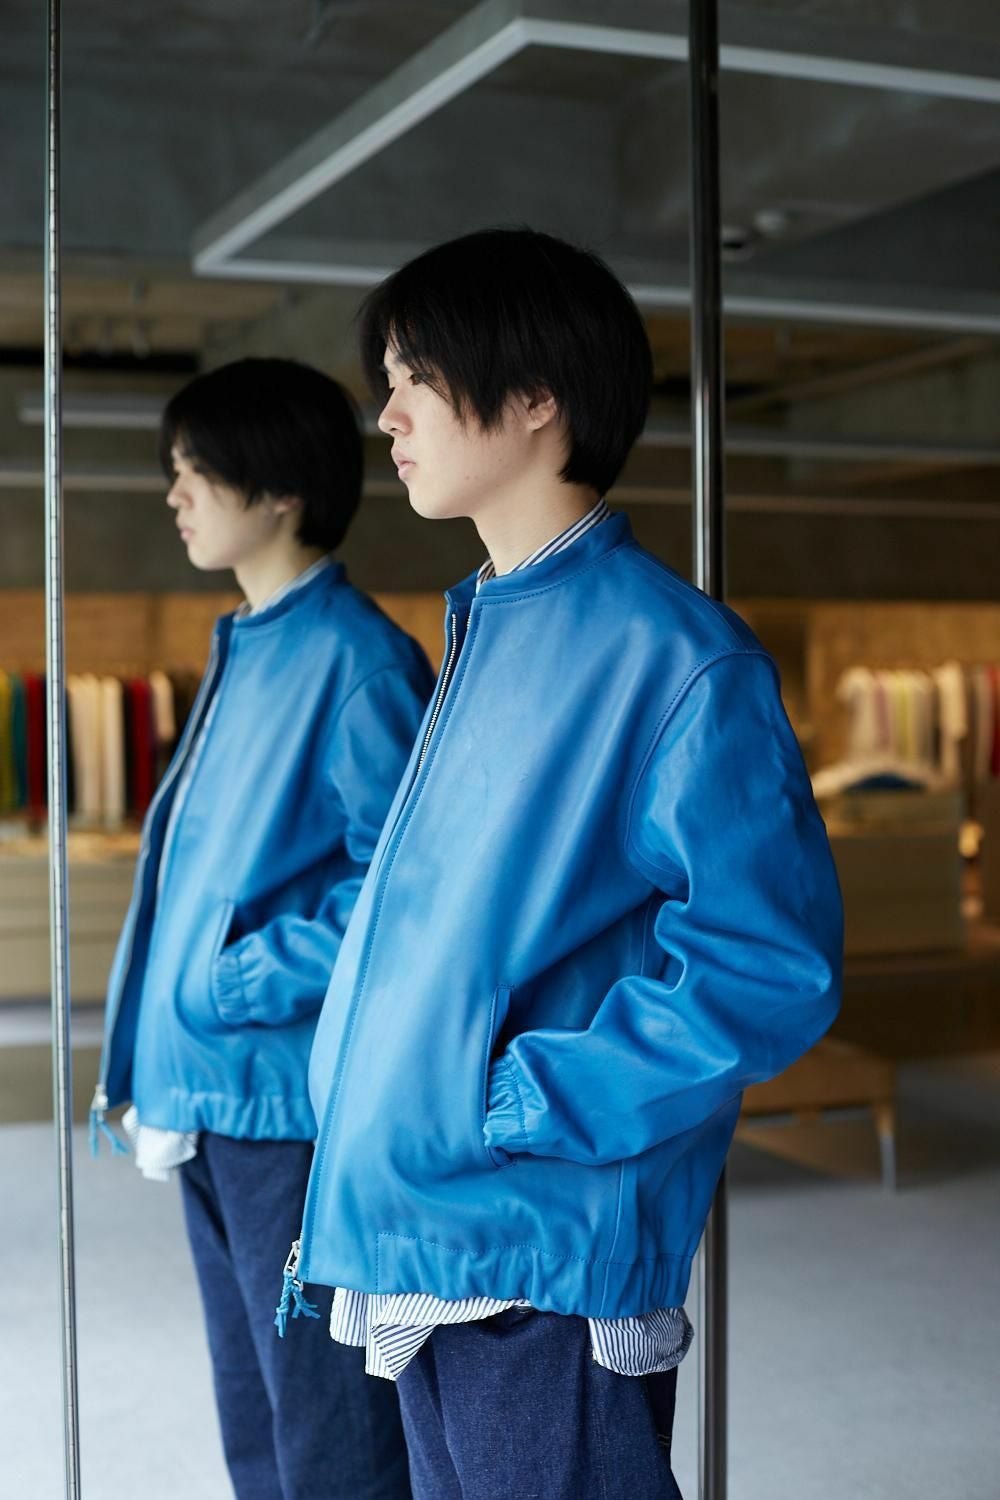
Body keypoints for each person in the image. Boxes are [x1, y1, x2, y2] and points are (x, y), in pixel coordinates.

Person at [292, 229, 844, 1500]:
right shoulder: (487, 631)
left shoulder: (674, 656)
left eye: (417, 380)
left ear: (536, 396)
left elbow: (768, 966)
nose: (389, 416)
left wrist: (520, 1101)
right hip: (435, 1225)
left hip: (537, 1247)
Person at [93, 357, 432, 1500]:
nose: (176, 494)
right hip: (211, 1099)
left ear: (281, 487)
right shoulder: (250, 642)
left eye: (196, 471)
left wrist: (236, 982)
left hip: (283, 1105)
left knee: (329, 1431)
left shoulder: (356, 662)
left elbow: (405, 897)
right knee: (255, 1415)